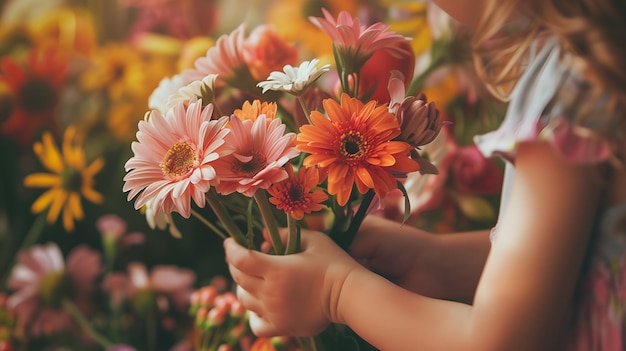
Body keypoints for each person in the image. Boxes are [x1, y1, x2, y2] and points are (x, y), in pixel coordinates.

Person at [224, 0, 626, 349]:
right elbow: (575, 258)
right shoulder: (600, 55)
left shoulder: (568, 89)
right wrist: (434, 259)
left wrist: (335, 290)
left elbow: (501, 341)